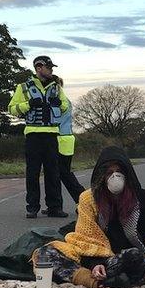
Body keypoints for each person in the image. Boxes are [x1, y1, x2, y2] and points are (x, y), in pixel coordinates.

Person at [37, 146, 145, 288]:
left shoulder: (142, 198)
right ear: (102, 176)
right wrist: (96, 264)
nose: (114, 177)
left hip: (124, 259)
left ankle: (113, 279)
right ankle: (96, 281)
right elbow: (85, 239)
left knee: (135, 256)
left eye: (119, 172)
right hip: (93, 258)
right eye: (109, 172)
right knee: (45, 253)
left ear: (127, 174)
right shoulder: (88, 199)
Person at [8, 55, 69, 218]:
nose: (51, 70)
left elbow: (65, 106)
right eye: (49, 67)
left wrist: (58, 103)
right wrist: (28, 104)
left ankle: (55, 207)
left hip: (51, 136)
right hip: (33, 136)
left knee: (53, 173)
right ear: (39, 67)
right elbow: (12, 109)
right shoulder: (23, 87)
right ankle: (32, 207)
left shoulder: (56, 87)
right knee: (32, 173)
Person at [52, 75, 85, 207]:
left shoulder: (58, 101)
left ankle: (82, 200)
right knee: (60, 174)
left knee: (63, 174)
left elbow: (53, 119)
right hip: (67, 138)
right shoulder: (66, 100)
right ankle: (56, 204)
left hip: (60, 138)